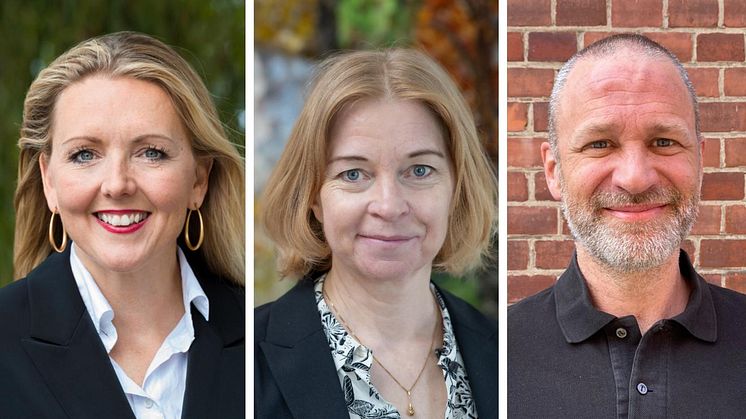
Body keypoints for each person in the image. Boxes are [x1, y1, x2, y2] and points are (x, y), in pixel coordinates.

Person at [0, 32, 245, 418]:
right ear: (49, 181)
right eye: (84, 154)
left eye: (151, 153)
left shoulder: (263, 337)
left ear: (199, 180)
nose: (117, 184)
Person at [508, 33, 746, 417]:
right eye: (600, 144)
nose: (635, 178)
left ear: (700, 162)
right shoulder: (496, 354)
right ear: (554, 172)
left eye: (664, 142)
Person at [255, 49, 497, 418]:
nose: (389, 205)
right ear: (314, 197)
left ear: (456, 188)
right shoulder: (247, 362)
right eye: (353, 174)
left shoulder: (506, 354)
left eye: (419, 171)